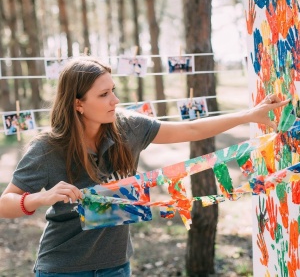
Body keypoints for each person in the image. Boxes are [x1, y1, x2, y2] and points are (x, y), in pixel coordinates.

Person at [0, 56, 289, 277]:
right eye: (103, 95)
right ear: (78, 104)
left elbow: (189, 130)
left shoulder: (128, 127)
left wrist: (249, 115)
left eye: (112, 90)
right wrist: (41, 198)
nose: (115, 100)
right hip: (62, 267)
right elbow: (5, 204)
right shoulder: (48, 148)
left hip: (116, 265)